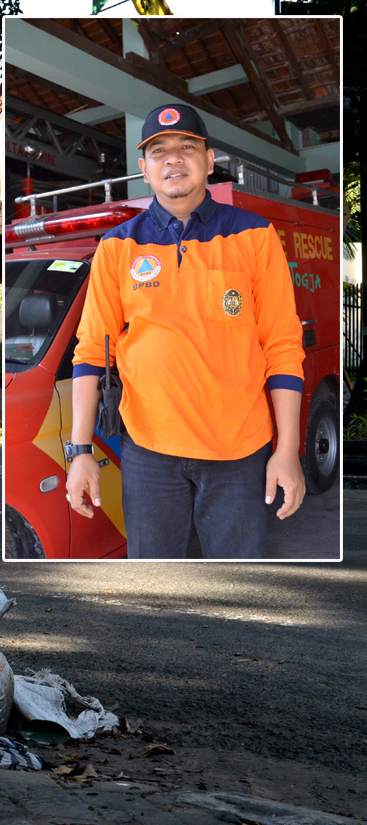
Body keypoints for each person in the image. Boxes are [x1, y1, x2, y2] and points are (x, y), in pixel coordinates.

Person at [64, 103, 305, 559]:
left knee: (237, 592)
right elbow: (92, 350)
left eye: (187, 147)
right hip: (149, 453)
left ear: (210, 161)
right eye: (159, 151)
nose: (173, 158)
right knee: (155, 592)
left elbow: (282, 347)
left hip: (239, 452)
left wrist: (287, 450)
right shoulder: (117, 248)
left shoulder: (254, 236)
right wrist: (79, 453)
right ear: (144, 169)